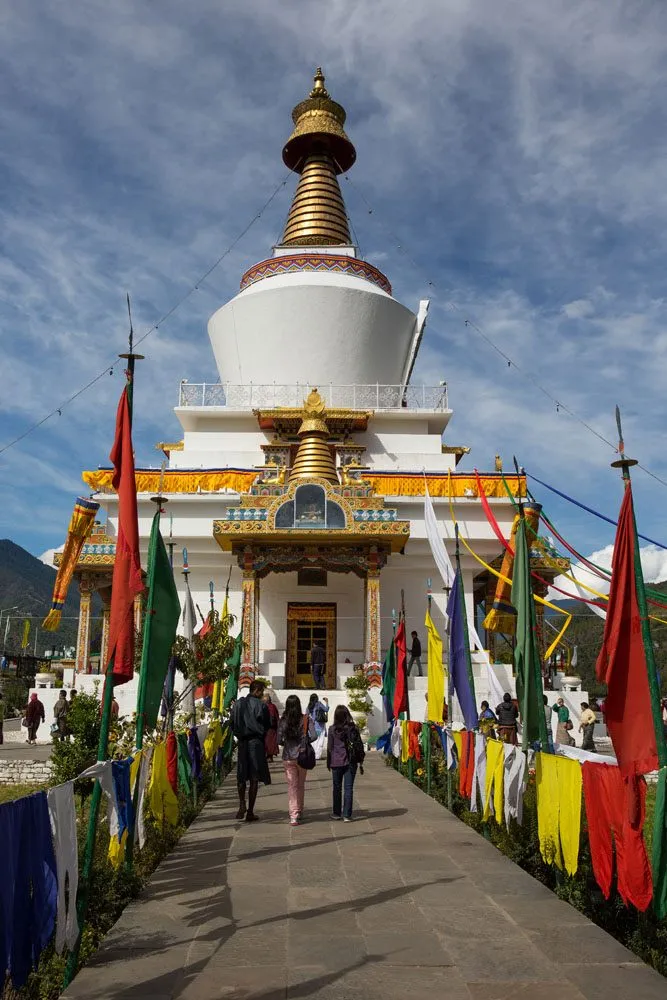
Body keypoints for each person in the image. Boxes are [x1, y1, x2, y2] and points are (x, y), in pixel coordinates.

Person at [230, 680, 271, 822]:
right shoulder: (261, 706)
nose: (262, 694)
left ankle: (242, 804)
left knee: (241, 775)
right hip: (255, 743)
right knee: (254, 776)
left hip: (242, 742)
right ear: (257, 691)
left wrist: (239, 735)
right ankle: (250, 811)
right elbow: (267, 724)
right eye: (261, 691)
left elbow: (231, 723)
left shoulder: (238, 704)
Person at [278, 694, 316, 826]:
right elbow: (315, 736)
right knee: (300, 785)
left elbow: (279, 739)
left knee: (292, 786)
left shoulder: (283, 720)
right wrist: (305, 742)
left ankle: (293, 814)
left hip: (288, 756)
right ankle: (299, 810)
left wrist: (287, 744)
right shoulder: (305, 719)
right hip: (302, 755)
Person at [327, 705, 365, 822]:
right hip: (350, 761)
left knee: (337, 788)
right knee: (348, 788)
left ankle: (336, 813)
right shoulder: (353, 728)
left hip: (336, 762)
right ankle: (347, 815)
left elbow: (329, 747)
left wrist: (329, 762)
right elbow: (359, 745)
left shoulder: (332, 729)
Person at [308, 692, 329, 758]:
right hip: (320, 725)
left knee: (314, 741)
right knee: (320, 741)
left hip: (313, 726)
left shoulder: (309, 706)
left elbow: (306, 714)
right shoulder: (319, 704)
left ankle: (313, 755)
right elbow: (326, 709)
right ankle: (317, 756)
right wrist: (327, 702)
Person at [263, 692, 280, 762]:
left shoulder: (267, 706)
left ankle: (268, 756)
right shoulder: (272, 706)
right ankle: (269, 756)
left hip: (268, 728)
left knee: (268, 742)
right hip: (270, 728)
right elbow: (277, 717)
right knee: (270, 742)